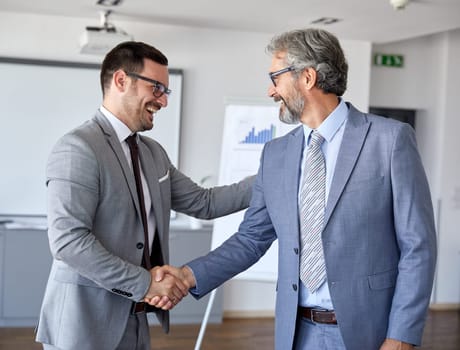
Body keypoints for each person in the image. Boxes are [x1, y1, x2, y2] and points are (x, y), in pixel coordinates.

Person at [153, 28, 437, 350]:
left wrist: (401, 337)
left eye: (275, 78)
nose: (271, 91)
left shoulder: (389, 140)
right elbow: (252, 238)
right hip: (297, 332)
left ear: (307, 77)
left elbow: (418, 246)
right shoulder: (275, 154)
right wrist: (188, 275)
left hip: (369, 332)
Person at [35, 41, 254, 350]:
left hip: (137, 319)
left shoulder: (152, 153)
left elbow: (205, 203)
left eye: (166, 91)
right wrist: (146, 283)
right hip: (84, 325)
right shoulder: (78, 147)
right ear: (121, 81)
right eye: (157, 88)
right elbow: (69, 242)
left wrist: (272, 177)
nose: (163, 102)